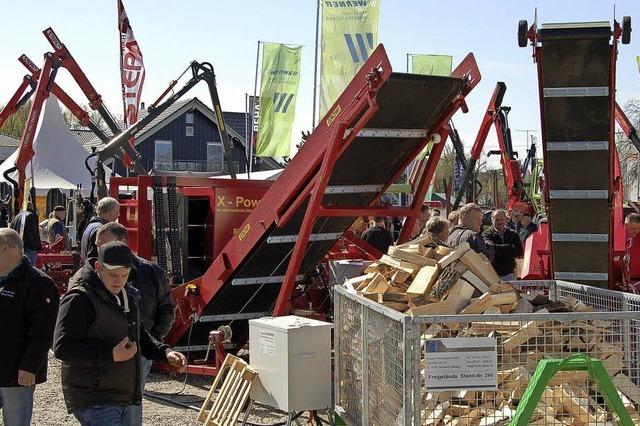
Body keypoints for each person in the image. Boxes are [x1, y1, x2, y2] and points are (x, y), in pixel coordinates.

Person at [54, 241, 186, 425]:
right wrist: (110, 354)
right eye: (113, 275)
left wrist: (165, 352)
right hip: (95, 398)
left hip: (124, 394)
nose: (119, 281)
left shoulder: (128, 296)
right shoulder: (79, 298)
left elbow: (139, 335)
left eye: (124, 275)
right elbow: (62, 347)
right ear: (99, 267)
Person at [91, 222, 176, 424]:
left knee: (131, 406)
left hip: (139, 352)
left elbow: (167, 309)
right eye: (97, 245)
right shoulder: (95, 274)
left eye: (103, 245)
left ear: (122, 244)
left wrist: (151, 343)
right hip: (107, 353)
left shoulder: (151, 273)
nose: (97, 250)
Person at [0, 228, 59, 426]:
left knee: (16, 422)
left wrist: (29, 366)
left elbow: (43, 331)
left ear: (5, 249)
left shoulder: (39, 284)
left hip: (16, 374)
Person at [483, 210, 523, 281]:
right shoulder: (486, 234)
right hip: (492, 274)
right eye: (497, 219)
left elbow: (519, 252)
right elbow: (490, 249)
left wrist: (497, 249)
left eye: (502, 219)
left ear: (506, 219)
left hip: (509, 274)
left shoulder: (513, 234)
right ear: (492, 220)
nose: (500, 222)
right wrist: (510, 247)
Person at [80, 196, 120, 264]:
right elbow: (99, 258)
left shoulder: (90, 226)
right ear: (112, 212)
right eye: (117, 213)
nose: (118, 216)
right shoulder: (103, 230)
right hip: (95, 272)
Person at [625, 213, 640, 280]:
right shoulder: (618, 237)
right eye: (633, 228)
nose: (636, 231)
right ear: (626, 225)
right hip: (622, 279)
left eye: (639, 228)